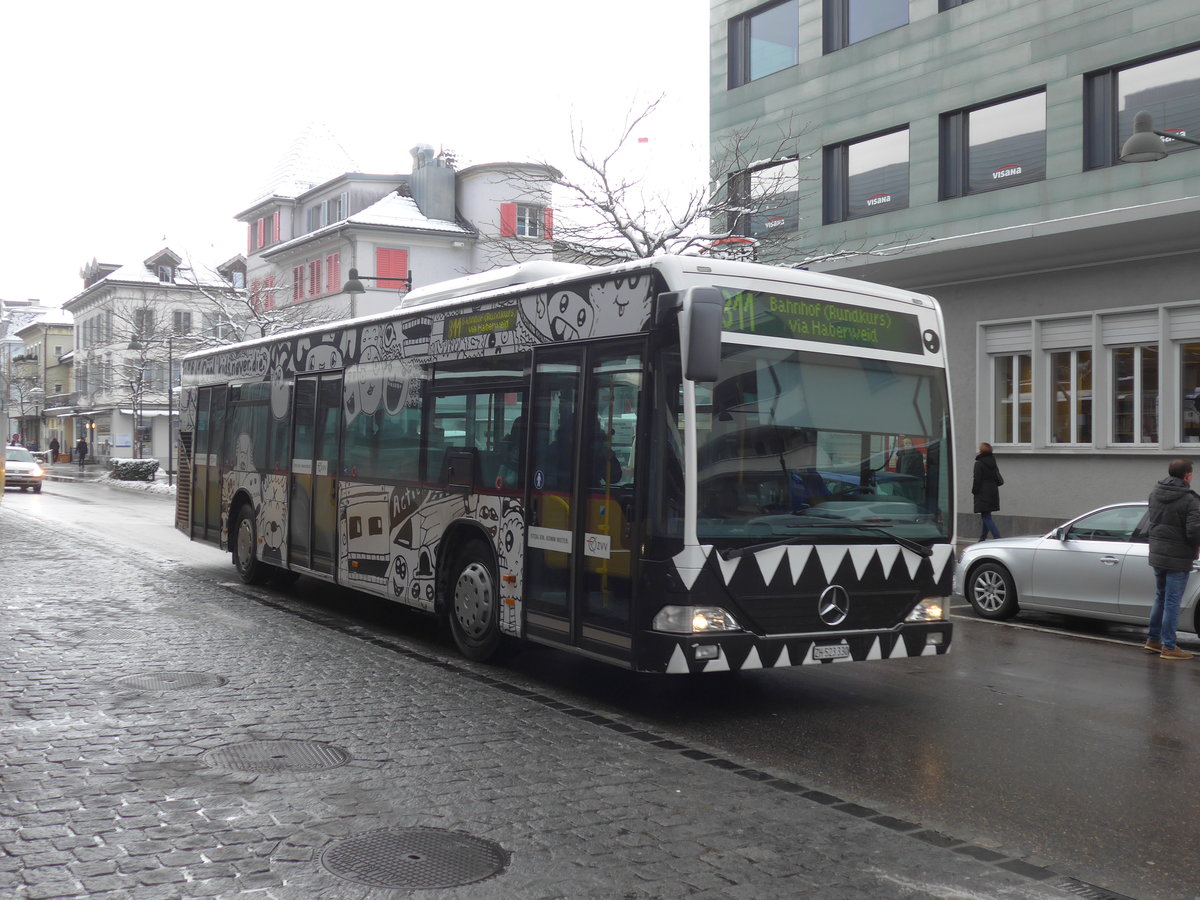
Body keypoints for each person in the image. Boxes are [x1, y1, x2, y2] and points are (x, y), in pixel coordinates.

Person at [1144, 458, 1200, 660]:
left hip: (1158, 553)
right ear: (1187, 476)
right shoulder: (1190, 499)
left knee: (1161, 596)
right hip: (1178, 557)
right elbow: (1194, 531)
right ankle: (1169, 646)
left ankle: (1153, 640)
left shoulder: (1155, 493)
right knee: (1172, 601)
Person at [972, 441, 1003, 541]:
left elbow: (977, 479)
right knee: (986, 514)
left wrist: (974, 491)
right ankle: (982, 538)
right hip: (993, 492)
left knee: (986, 516)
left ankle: (997, 537)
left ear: (981, 451)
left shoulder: (979, 464)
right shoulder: (993, 463)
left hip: (983, 492)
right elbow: (997, 478)